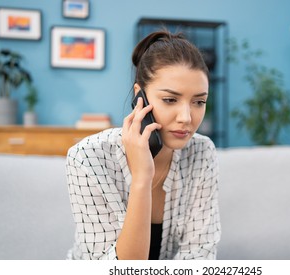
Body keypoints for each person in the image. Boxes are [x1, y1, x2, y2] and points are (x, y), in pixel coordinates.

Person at [66, 30, 221, 260]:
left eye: (199, 101)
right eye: (170, 100)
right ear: (140, 97)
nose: (187, 117)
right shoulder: (88, 157)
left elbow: (200, 255)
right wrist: (141, 179)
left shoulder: (202, 152)